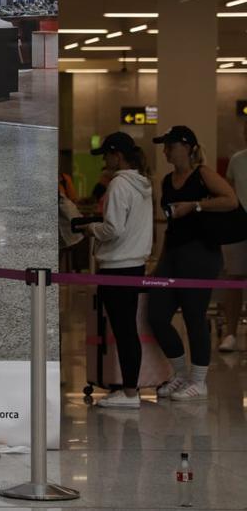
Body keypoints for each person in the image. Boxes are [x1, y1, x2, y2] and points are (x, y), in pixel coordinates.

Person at [149, 126, 240, 402]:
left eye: (169, 146)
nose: (165, 151)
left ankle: (199, 381)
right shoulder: (166, 181)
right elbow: (170, 226)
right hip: (173, 252)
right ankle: (179, 373)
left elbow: (230, 200)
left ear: (186, 147)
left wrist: (195, 206)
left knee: (193, 315)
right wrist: (160, 261)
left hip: (201, 253)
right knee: (157, 314)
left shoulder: (203, 174)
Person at [83, 132, 154, 409]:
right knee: (128, 330)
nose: (105, 160)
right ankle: (129, 389)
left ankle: (128, 393)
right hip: (135, 265)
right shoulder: (143, 184)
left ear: (117, 155)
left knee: (123, 330)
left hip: (115, 267)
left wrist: (91, 229)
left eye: (107, 155)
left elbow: (113, 228)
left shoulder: (118, 185)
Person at [220, 119, 247, 352]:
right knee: (234, 279)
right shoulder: (237, 160)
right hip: (239, 226)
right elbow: (227, 191)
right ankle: (230, 333)